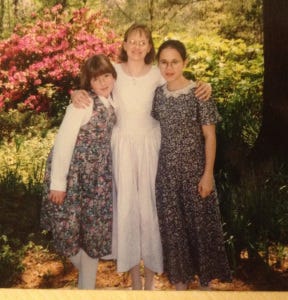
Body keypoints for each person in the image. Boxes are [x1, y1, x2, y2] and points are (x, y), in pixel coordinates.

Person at [71, 23, 212, 290]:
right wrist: (76, 92)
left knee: (151, 210)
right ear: (124, 44)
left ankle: (150, 282)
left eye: (143, 42)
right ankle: (135, 282)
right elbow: (93, 86)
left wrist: (205, 86)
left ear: (149, 47)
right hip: (122, 146)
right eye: (132, 41)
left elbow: (183, 83)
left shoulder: (158, 74)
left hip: (151, 146)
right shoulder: (114, 71)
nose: (137, 46)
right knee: (127, 210)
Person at [151, 39, 232, 290]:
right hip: (166, 176)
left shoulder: (199, 93)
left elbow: (210, 136)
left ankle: (205, 288)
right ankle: (180, 288)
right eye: (164, 62)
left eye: (175, 61)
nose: (169, 67)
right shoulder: (158, 95)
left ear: (185, 62)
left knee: (200, 233)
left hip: (195, 174)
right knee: (175, 235)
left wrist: (208, 174)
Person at [40, 54, 117, 290]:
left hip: (97, 181)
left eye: (106, 76)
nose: (103, 83)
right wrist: (58, 184)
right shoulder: (84, 104)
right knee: (68, 233)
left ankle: (87, 290)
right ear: (88, 83)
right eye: (96, 80)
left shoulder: (113, 101)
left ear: (114, 76)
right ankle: (86, 279)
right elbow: (63, 142)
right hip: (73, 178)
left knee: (92, 237)